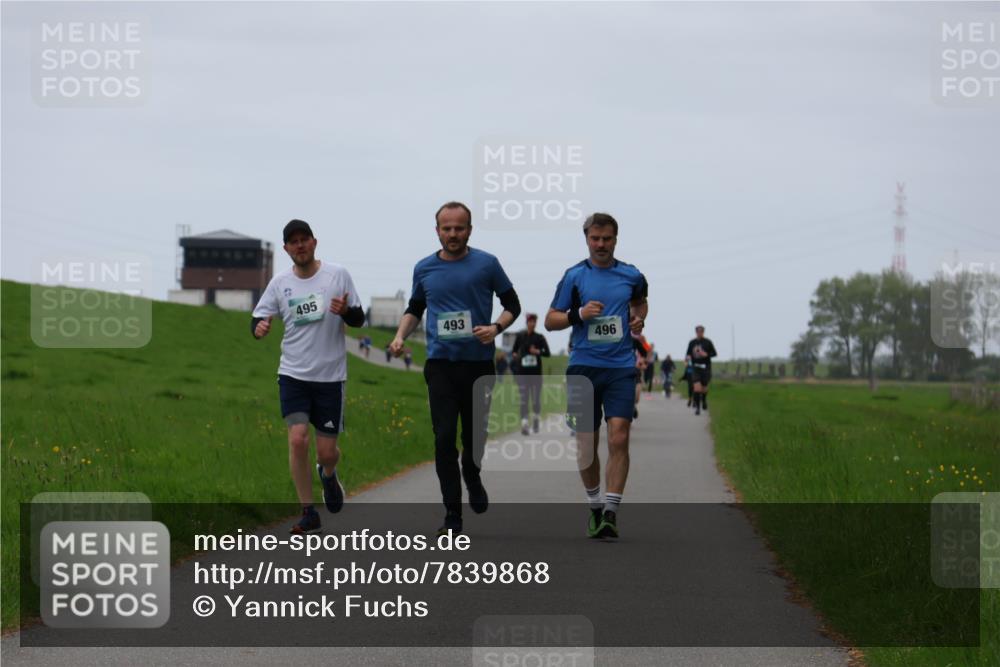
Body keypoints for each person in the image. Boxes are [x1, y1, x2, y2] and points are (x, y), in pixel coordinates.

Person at [389, 201, 521, 535]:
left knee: (474, 438)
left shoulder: (487, 264)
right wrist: (400, 336)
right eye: (446, 228)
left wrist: (496, 328)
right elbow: (415, 307)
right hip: (440, 366)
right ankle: (452, 514)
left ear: (469, 230)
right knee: (444, 438)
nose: (453, 234)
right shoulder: (424, 268)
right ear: (437, 231)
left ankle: (472, 475)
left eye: (459, 228)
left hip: (478, 367)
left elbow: (512, 304)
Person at [251, 219, 365, 534]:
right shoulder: (279, 283)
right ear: (286, 248)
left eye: (304, 239)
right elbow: (258, 316)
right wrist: (259, 327)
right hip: (293, 375)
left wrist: (346, 312)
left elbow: (358, 318)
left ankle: (328, 474)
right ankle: (308, 512)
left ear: (314, 242)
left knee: (327, 453)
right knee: (298, 438)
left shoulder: (337, 275)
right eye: (293, 242)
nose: (299, 246)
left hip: (330, 378)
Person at [545, 212, 648, 539]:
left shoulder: (632, 275)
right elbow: (550, 320)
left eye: (607, 239)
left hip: (620, 367)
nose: (601, 244)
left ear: (616, 239)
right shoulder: (574, 276)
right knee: (586, 443)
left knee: (619, 436)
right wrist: (579, 314)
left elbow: (640, 303)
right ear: (587, 239)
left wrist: (638, 318)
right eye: (595, 238)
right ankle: (594, 506)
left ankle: (611, 513)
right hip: (583, 368)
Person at [511, 313, 551, 435]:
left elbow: (547, 353)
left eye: (534, 322)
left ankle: (536, 420)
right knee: (524, 399)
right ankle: (524, 424)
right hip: (523, 373)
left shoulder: (539, 338)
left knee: (535, 399)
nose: (532, 324)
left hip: (536, 374)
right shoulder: (520, 336)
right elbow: (514, 351)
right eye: (530, 321)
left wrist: (537, 351)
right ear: (527, 322)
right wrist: (516, 356)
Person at [685, 325, 717, 415]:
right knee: (697, 388)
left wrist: (706, 354)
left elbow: (714, 353)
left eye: (701, 332)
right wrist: (687, 359)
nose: (699, 333)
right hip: (695, 367)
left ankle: (704, 400)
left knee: (704, 388)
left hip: (706, 367)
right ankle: (697, 408)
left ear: (703, 332)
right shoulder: (692, 342)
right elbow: (688, 354)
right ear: (696, 332)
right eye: (698, 332)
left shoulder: (708, 342)